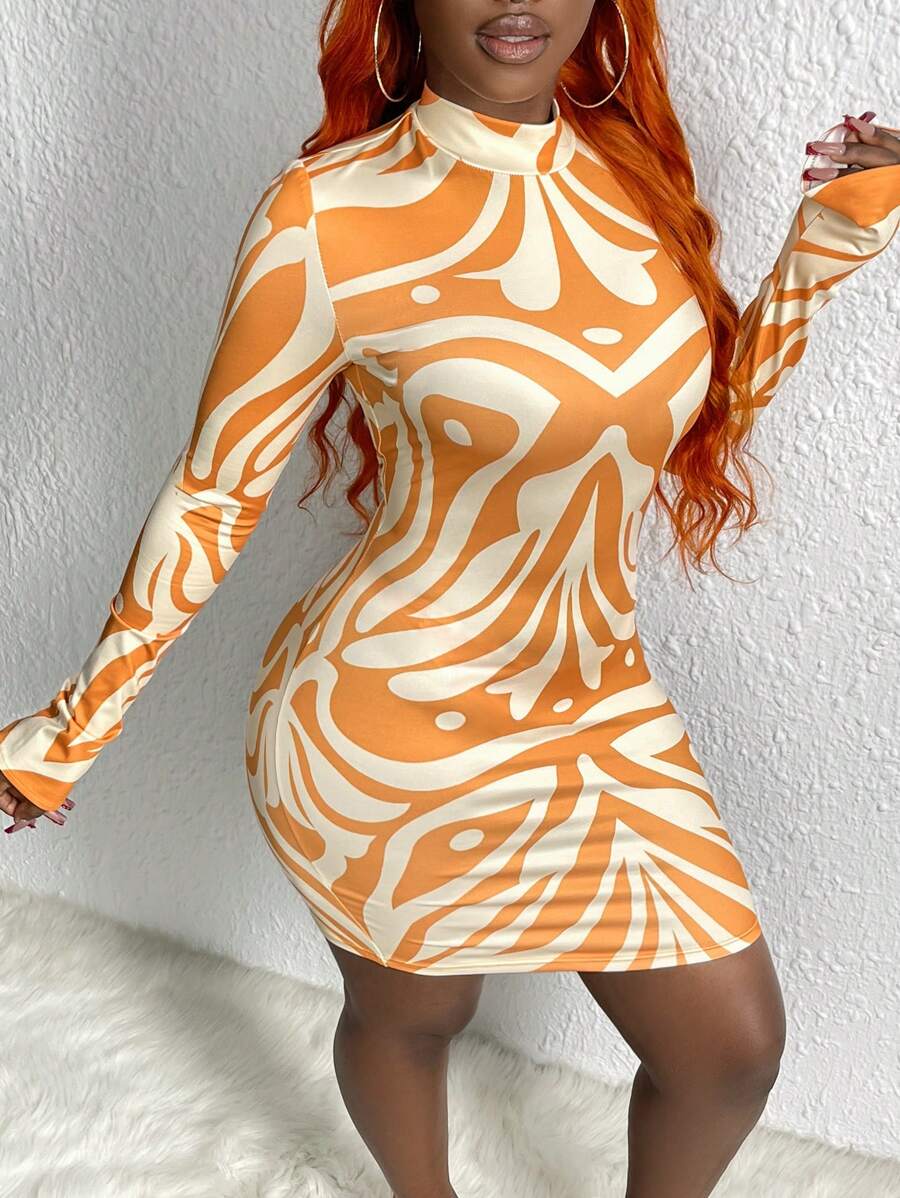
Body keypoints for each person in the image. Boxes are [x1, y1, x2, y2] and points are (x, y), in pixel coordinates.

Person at [2, 2, 899, 1195]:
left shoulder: (631, 179)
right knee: (415, 1014)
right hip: (383, 723)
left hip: (598, 706)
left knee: (729, 1051)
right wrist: (72, 730)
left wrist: (833, 236)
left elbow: (688, 413)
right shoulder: (327, 212)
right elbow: (214, 495)